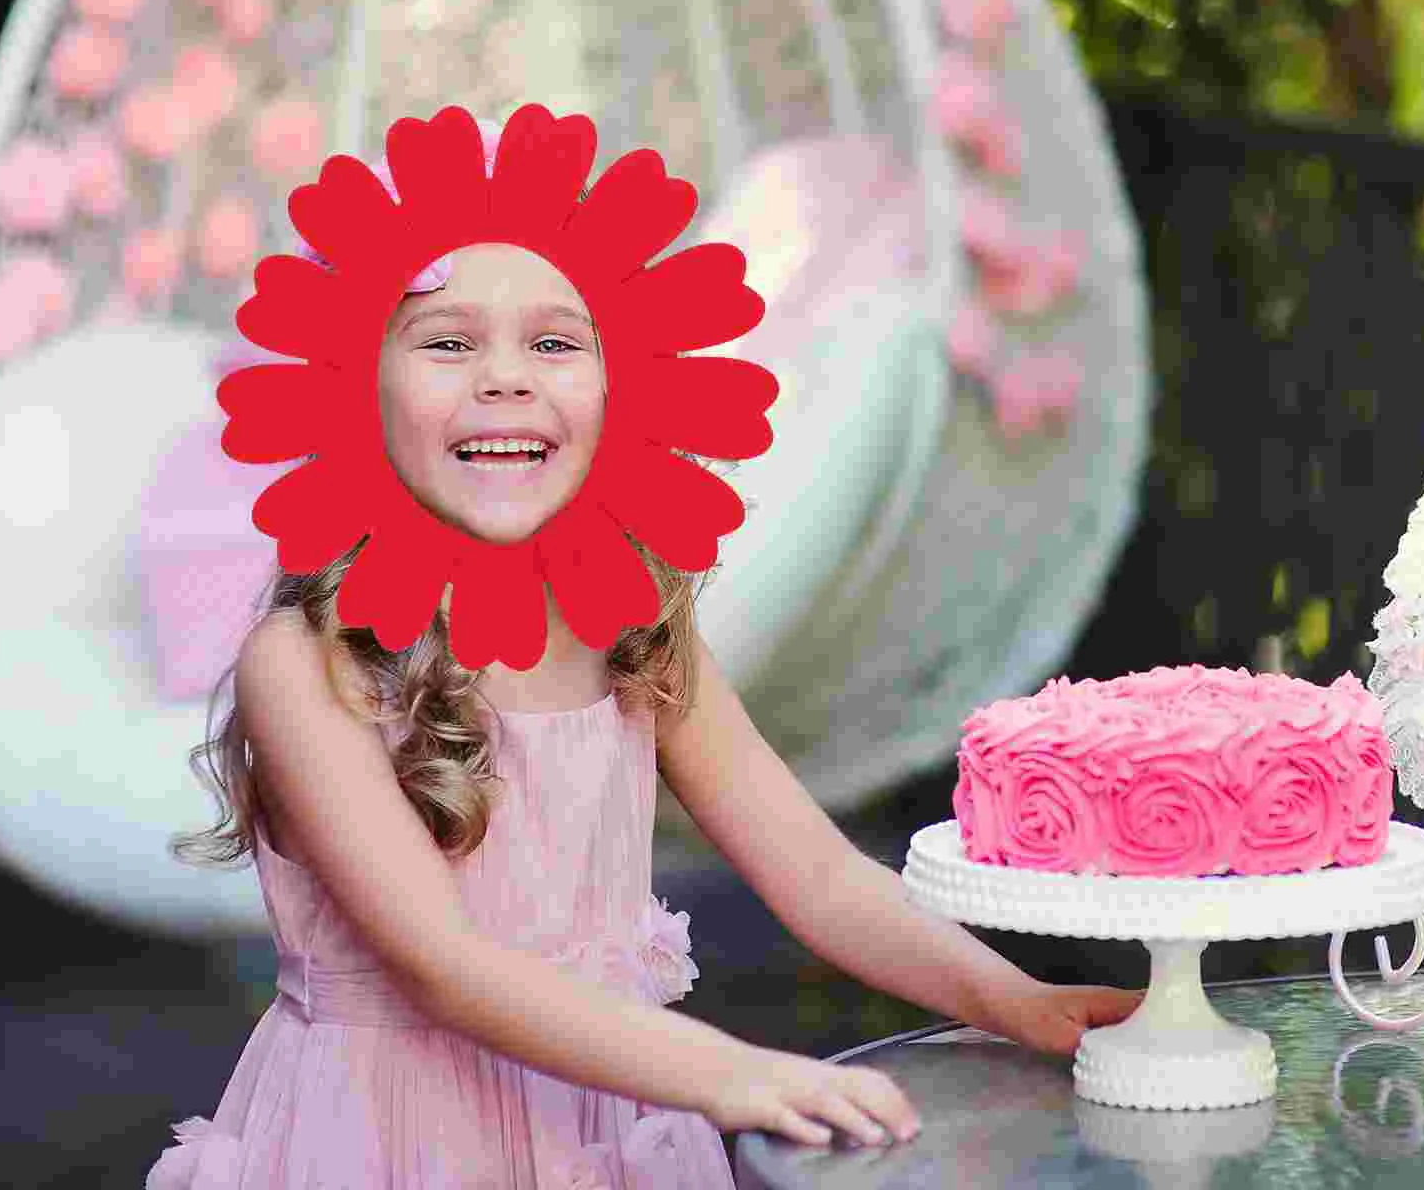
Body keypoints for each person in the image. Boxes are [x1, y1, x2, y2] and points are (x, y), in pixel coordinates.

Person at [149, 223, 1139, 1190]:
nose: (505, 376)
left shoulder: (630, 624)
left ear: (620, 387)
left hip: (609, 1132)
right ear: (357, 387)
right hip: (391, 1136)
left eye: (553, 341)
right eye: (447, 341)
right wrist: (729, 1072)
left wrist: (1018, 999)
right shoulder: (305, 662)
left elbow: (820, 876)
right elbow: (440, 963)